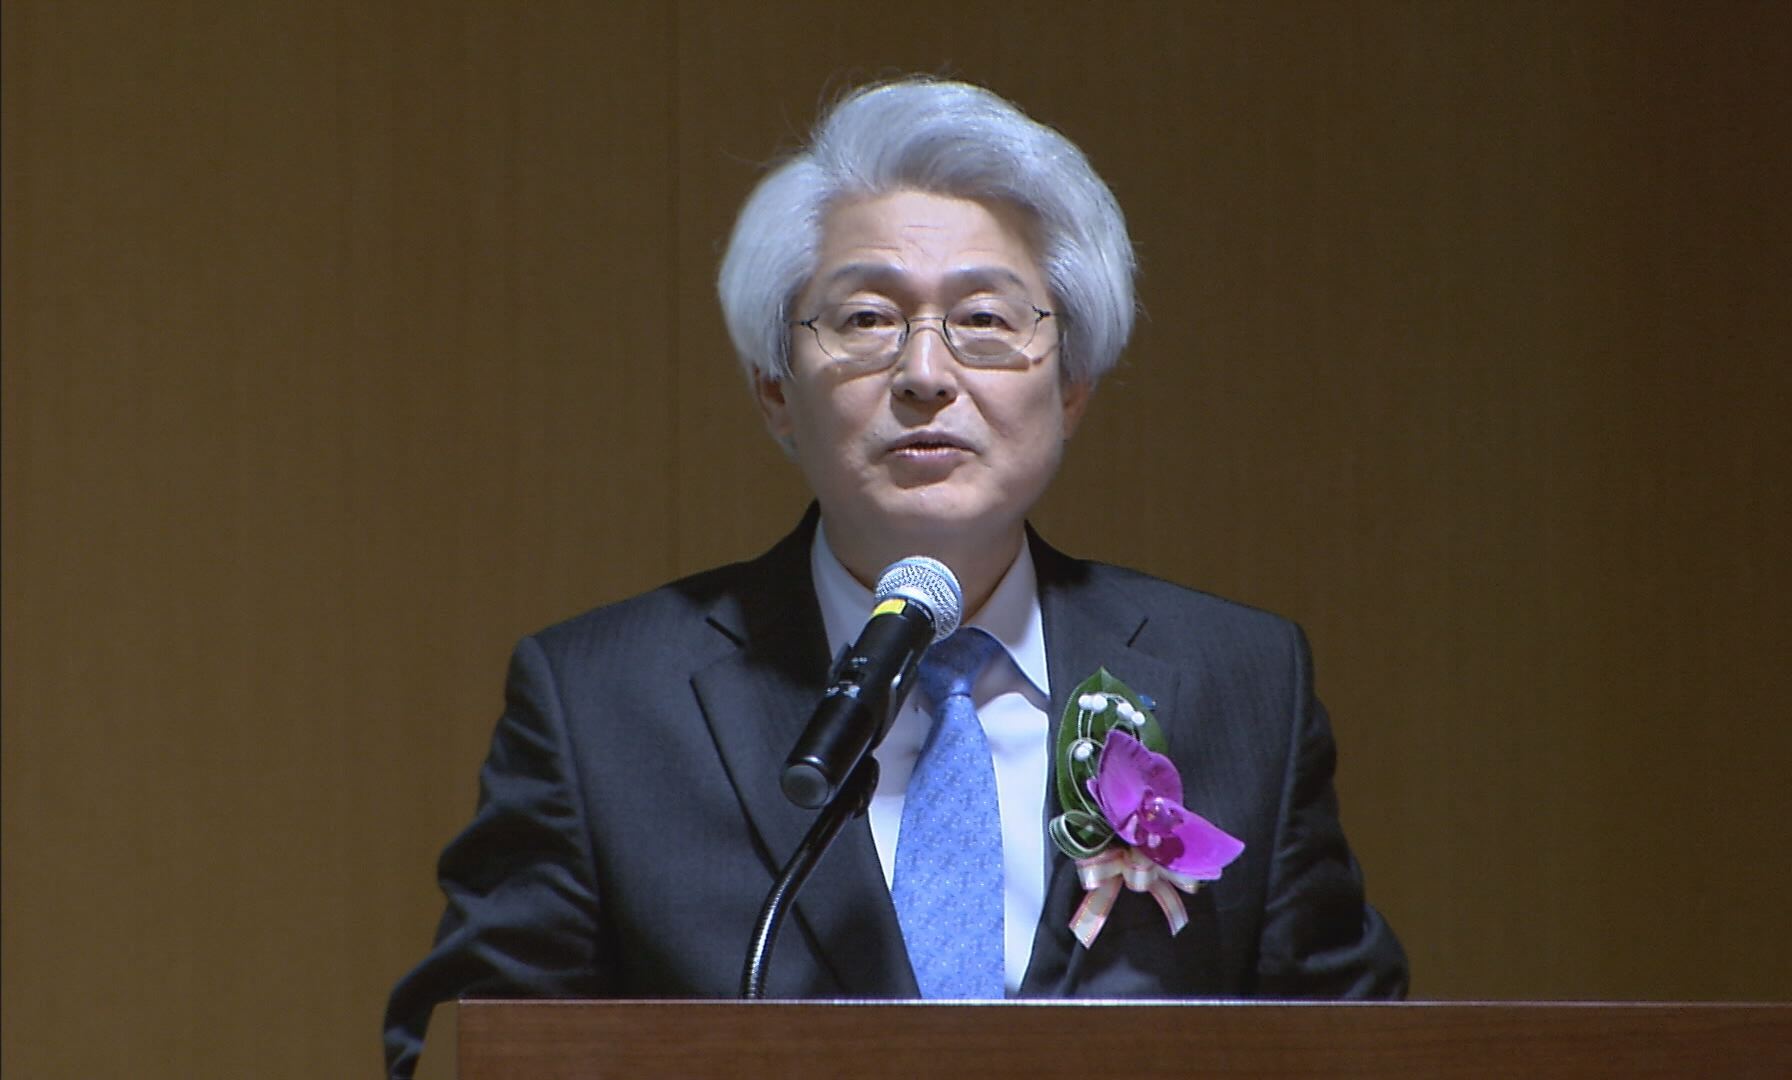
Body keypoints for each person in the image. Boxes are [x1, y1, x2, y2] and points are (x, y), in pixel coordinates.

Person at [383, 76, 1407, 1078]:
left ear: (1073, 386)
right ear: (775, 388)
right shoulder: (604, 702)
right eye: (867, 319)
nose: (925, 373)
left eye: (986, 319)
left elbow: (1363, 1050)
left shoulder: (1242, 683)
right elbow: (466, 1052)